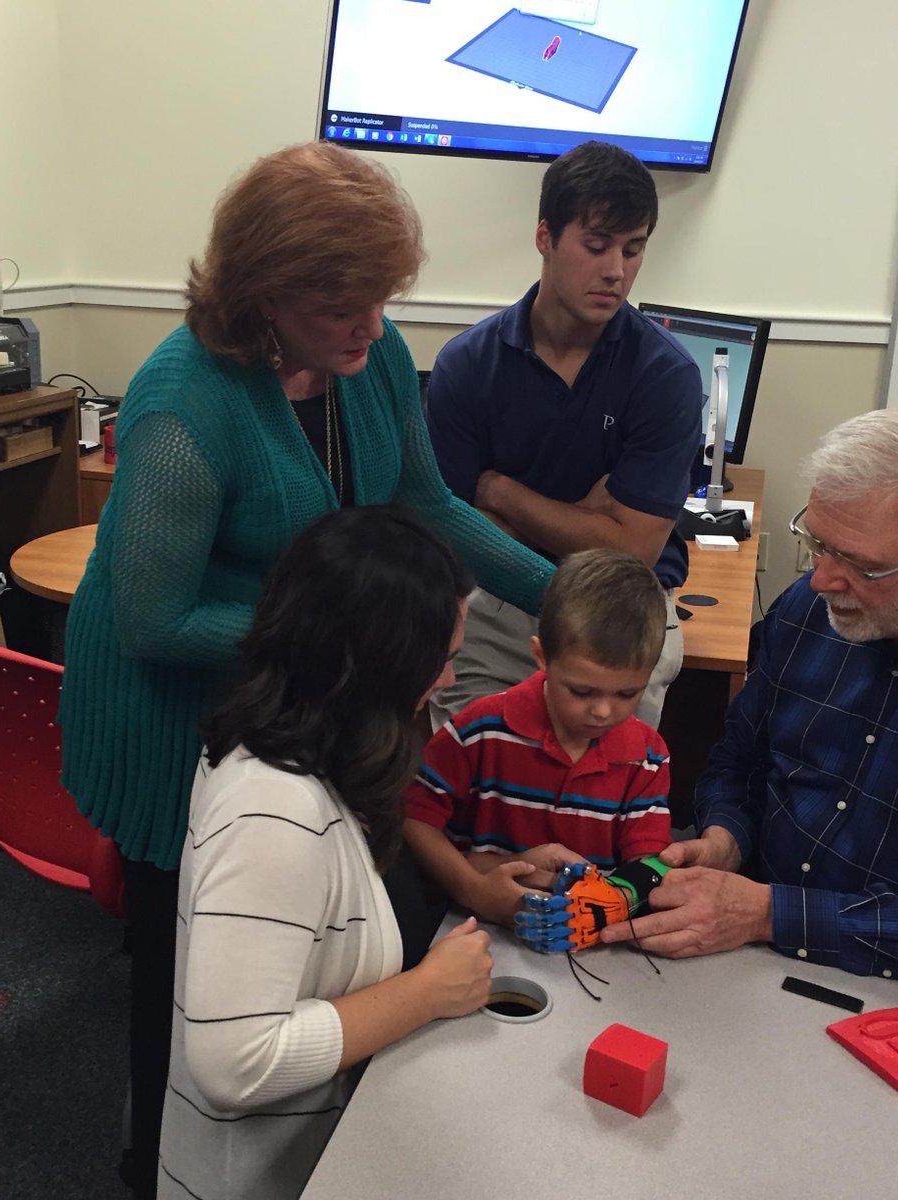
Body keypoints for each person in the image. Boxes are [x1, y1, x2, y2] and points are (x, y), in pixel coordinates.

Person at [56, 142, 551, 1198]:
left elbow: (426, 504)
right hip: (168, 717)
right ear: (266, 296)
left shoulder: (361, 358)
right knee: (184, 997)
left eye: (383, 301)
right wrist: (348, 637)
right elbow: (155, 617)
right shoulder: (182, 406)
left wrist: (563, 592)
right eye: (349, 308)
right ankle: (156, 1170)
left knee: (311, 940)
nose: (377, 329)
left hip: (299, 689)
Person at [602, 410, 898, 998]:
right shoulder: (807, 612)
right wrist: (727, 837)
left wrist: (770, 914)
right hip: (744, 960)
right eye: (817, 543)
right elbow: (739, 760)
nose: (820, 579)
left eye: (860, 563)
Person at [157, 506, 493, 1200]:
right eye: (444, 658)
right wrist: (427, 992)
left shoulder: (319, 744)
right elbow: (233, 1062)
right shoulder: (273, 809)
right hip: (274, 1175)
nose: (451, 679)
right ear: (381, 662)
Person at [425, 140, 703, 731]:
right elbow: (452, 530)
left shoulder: (666, 375)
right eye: (596, 246)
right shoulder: (468, 365)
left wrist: (500, 492)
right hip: (495, 596)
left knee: (597, 802)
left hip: (622, 608)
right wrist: (589, 520)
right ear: (545, 237)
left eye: (634, 250)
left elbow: (631, 551)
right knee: (475, 788)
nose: (616, 271)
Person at [404, 548, 672, 927]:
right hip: (473, 929)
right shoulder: (478, 730)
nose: (602, 712)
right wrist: (473, 888)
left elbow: (650, 865)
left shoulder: (647, 757)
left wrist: (607, 903)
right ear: (541, 656)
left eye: (627, 694)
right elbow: (414, 818)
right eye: (581, 692)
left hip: (589, 942)